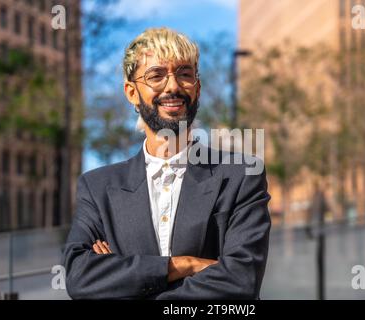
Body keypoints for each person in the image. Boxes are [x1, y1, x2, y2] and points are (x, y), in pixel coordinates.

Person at [62, 27, 271, 300]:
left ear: (197, 88)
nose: (172, 86)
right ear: (132, 92)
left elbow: (241, 282)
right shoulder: (98, 187)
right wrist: (183, 265)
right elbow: (80, 277)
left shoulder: (241, 175)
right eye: (156, 75)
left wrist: (123, 280)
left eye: (184, 74)